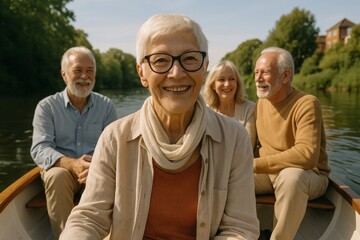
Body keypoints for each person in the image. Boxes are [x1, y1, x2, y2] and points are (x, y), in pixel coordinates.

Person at [60, 14, 259, 239]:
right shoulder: (115, 138)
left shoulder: (235, 138)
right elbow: (89, 219)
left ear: (204, 68)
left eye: (190, 58)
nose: (176, 73)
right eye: (161, 61)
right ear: (142, 73)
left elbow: (240, 229)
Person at [30, 46, 118, 238]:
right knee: (56, 176)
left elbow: (115, 148)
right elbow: (39, 148)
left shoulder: (106, 106)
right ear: (64, 75)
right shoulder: (47, 107)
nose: (84, 77)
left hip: (96, 168)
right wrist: (72, 164)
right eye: (78, 70)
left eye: (90, 71)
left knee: (118, 175)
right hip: (61, 168)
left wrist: (96, 167)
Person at [253, 47, 331, 240]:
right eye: (256, 72)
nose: (258, 78)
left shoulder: (306, 103)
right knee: (227, 177)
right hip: (270, 175)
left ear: (286, 76)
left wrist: (254, 164)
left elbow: (306, 155)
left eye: (265, 72)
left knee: (291, 177)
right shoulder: (260, 104)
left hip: (309, 176)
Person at [203, 60, 256, 149]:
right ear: (213, 85)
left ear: (237, 83)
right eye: (221, 79)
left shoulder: (249, 109)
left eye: (231, 79)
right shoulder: (206, 112)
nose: (227, 84)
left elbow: (248, 147)